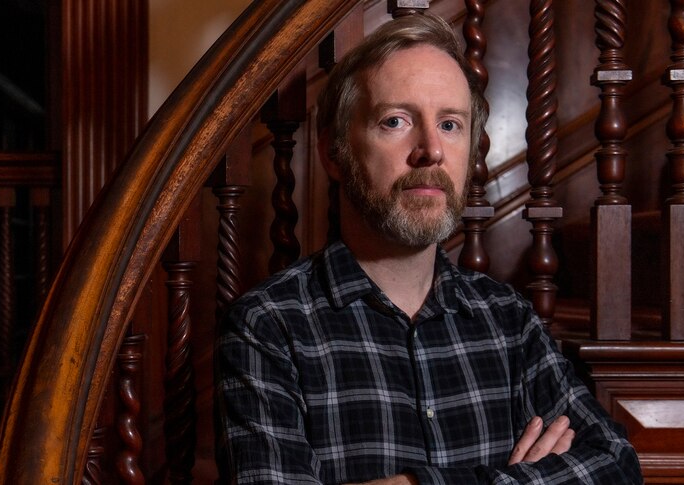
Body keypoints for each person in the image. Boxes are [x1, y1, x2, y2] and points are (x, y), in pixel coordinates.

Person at [215, 12, 642, 485]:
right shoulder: (269, 326)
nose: (431, 150)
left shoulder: (507, 319)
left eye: (450, 124)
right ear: (333, 155)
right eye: (395, 121)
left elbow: (617, 465)